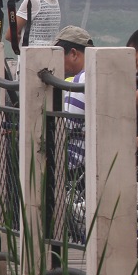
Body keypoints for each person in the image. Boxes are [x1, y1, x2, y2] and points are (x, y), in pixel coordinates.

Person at [55, 26, 94, 170]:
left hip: (73, 157)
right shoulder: (98, 74)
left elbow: (67, 125)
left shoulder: (79, 81)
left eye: (59, 56)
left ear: (73, 53)